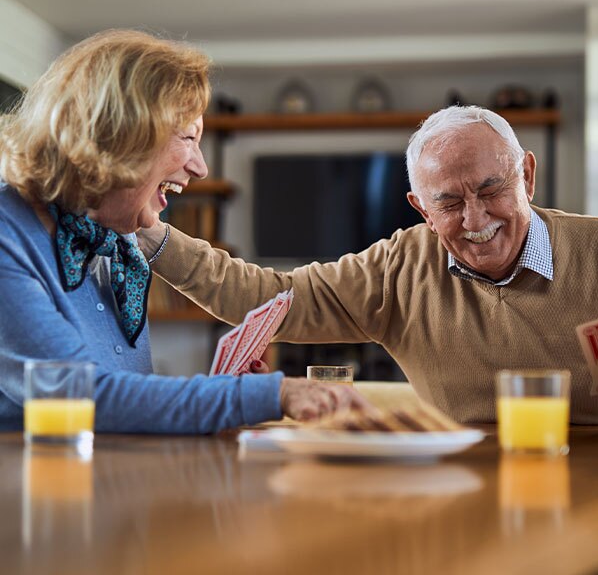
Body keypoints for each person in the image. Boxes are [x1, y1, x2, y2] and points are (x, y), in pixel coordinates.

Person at [0, 29, 370, 433]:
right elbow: (83, 398)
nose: (200, 167)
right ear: (121, 136)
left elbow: (127, 405)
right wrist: (269, 395)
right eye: (188, 138)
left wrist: (220, 394)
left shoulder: (117, 239)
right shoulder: (7, 232)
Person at [139, 105, 598, 424]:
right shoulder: (400, 268)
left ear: (527, 176)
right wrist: (148, 232)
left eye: (491, 190)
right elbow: (268, 299)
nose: (475, 219)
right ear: (422, 210)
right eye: (450, 203)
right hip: (461, 486)